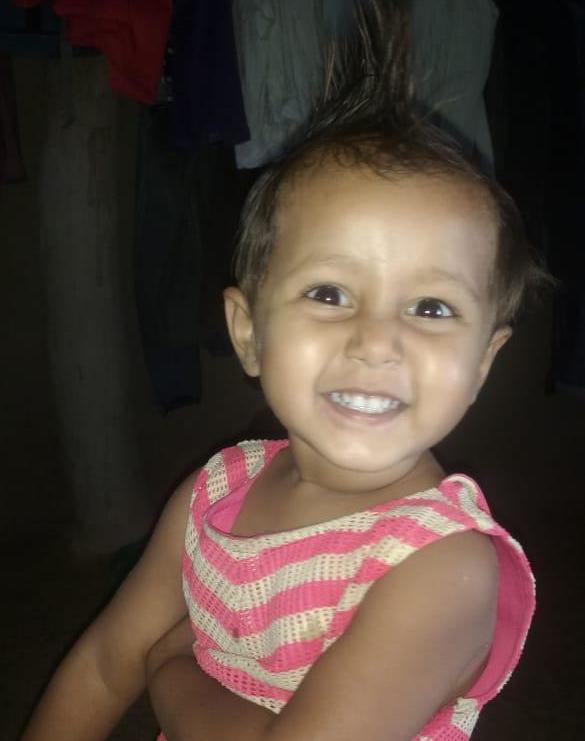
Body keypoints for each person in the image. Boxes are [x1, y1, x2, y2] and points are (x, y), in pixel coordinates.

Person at [21, 4, 548, 740]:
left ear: (483, 362)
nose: (376, 341)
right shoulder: (214, 493)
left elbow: (143, 665)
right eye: (329, 293)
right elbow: (106, 664)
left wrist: (170, 673)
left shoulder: (444, 567)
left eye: (431, 307)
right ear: (249, 333)